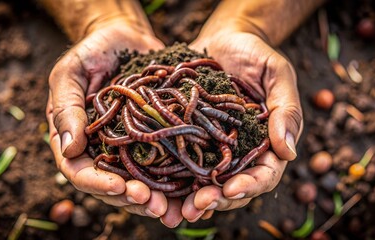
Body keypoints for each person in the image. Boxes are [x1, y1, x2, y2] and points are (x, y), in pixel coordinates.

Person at [41, 0, 324, 228]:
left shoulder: (210, 105)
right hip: (161, 122)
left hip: (191, 124)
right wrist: (99, 20)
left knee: (208, 136)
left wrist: (248, 26)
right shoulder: (129, 103)